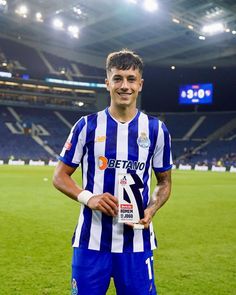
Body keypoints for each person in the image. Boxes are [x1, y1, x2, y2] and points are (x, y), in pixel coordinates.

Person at [53, 49, 172, 295]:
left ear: (140, 84)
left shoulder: (156, 130)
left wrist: (151, 209)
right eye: (117, 78)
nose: (124, 85)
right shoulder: (86, 126)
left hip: (136, 243)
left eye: (131, 79)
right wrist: (89, 198)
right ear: (107, 83)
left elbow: (164, 182)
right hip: (91, 242)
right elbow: (60, 176)